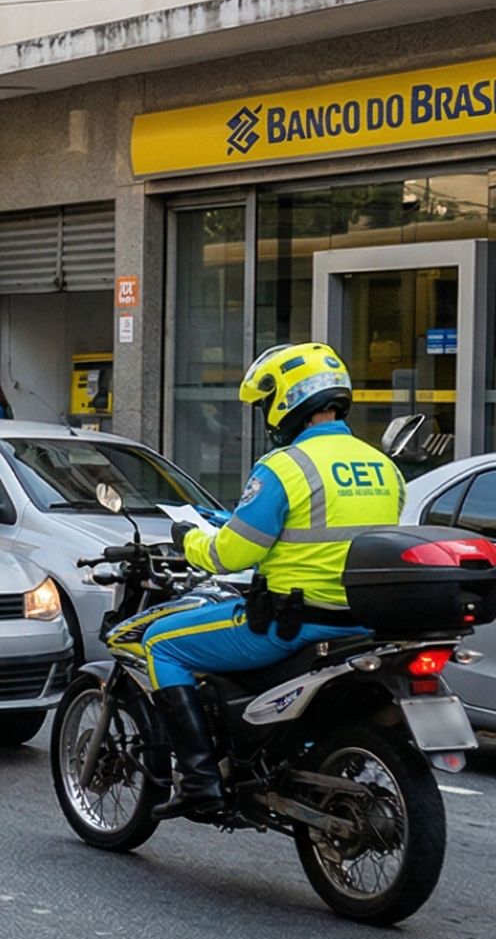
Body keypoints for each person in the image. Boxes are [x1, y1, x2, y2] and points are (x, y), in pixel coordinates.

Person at [112, 343, 399, 816]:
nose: (267, 415)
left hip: (288, 625)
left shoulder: (286, 466)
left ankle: (201, 781)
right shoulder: (383, 467)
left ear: (289, 400)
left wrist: (189, 541)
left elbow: (231, 554)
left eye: (268, 403)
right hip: (358, 624)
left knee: (162, 643)